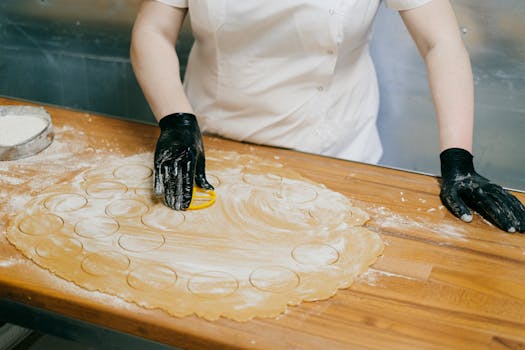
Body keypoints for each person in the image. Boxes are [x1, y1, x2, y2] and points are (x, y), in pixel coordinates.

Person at [130, 0, 525, 233]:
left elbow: (439, 40)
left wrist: (458, 158)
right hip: (214, 155)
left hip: (336, 159)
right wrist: (175, 121)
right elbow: (153, 30)